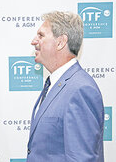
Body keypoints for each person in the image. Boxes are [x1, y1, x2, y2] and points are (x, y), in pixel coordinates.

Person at [27, 11, 104, 162]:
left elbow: (82, 158)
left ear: (61, 42)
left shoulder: (80, 90)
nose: (34, 41)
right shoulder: (56, 84)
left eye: (41, 35)